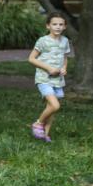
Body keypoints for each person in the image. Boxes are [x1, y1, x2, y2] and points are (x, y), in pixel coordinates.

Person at [29, 13, 72, 142]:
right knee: (55, 105)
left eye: (60, 24)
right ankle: (38, 123)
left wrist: (64, 68)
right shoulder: (43, 41)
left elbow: (64, 58)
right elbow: (31, 59)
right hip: (44, 79)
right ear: (48, 26)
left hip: (58, 81)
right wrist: (48, 68)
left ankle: (45, 135)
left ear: (64, 27)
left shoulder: (65, 41)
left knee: (51, 109)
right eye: (54, 24)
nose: (57, 27)